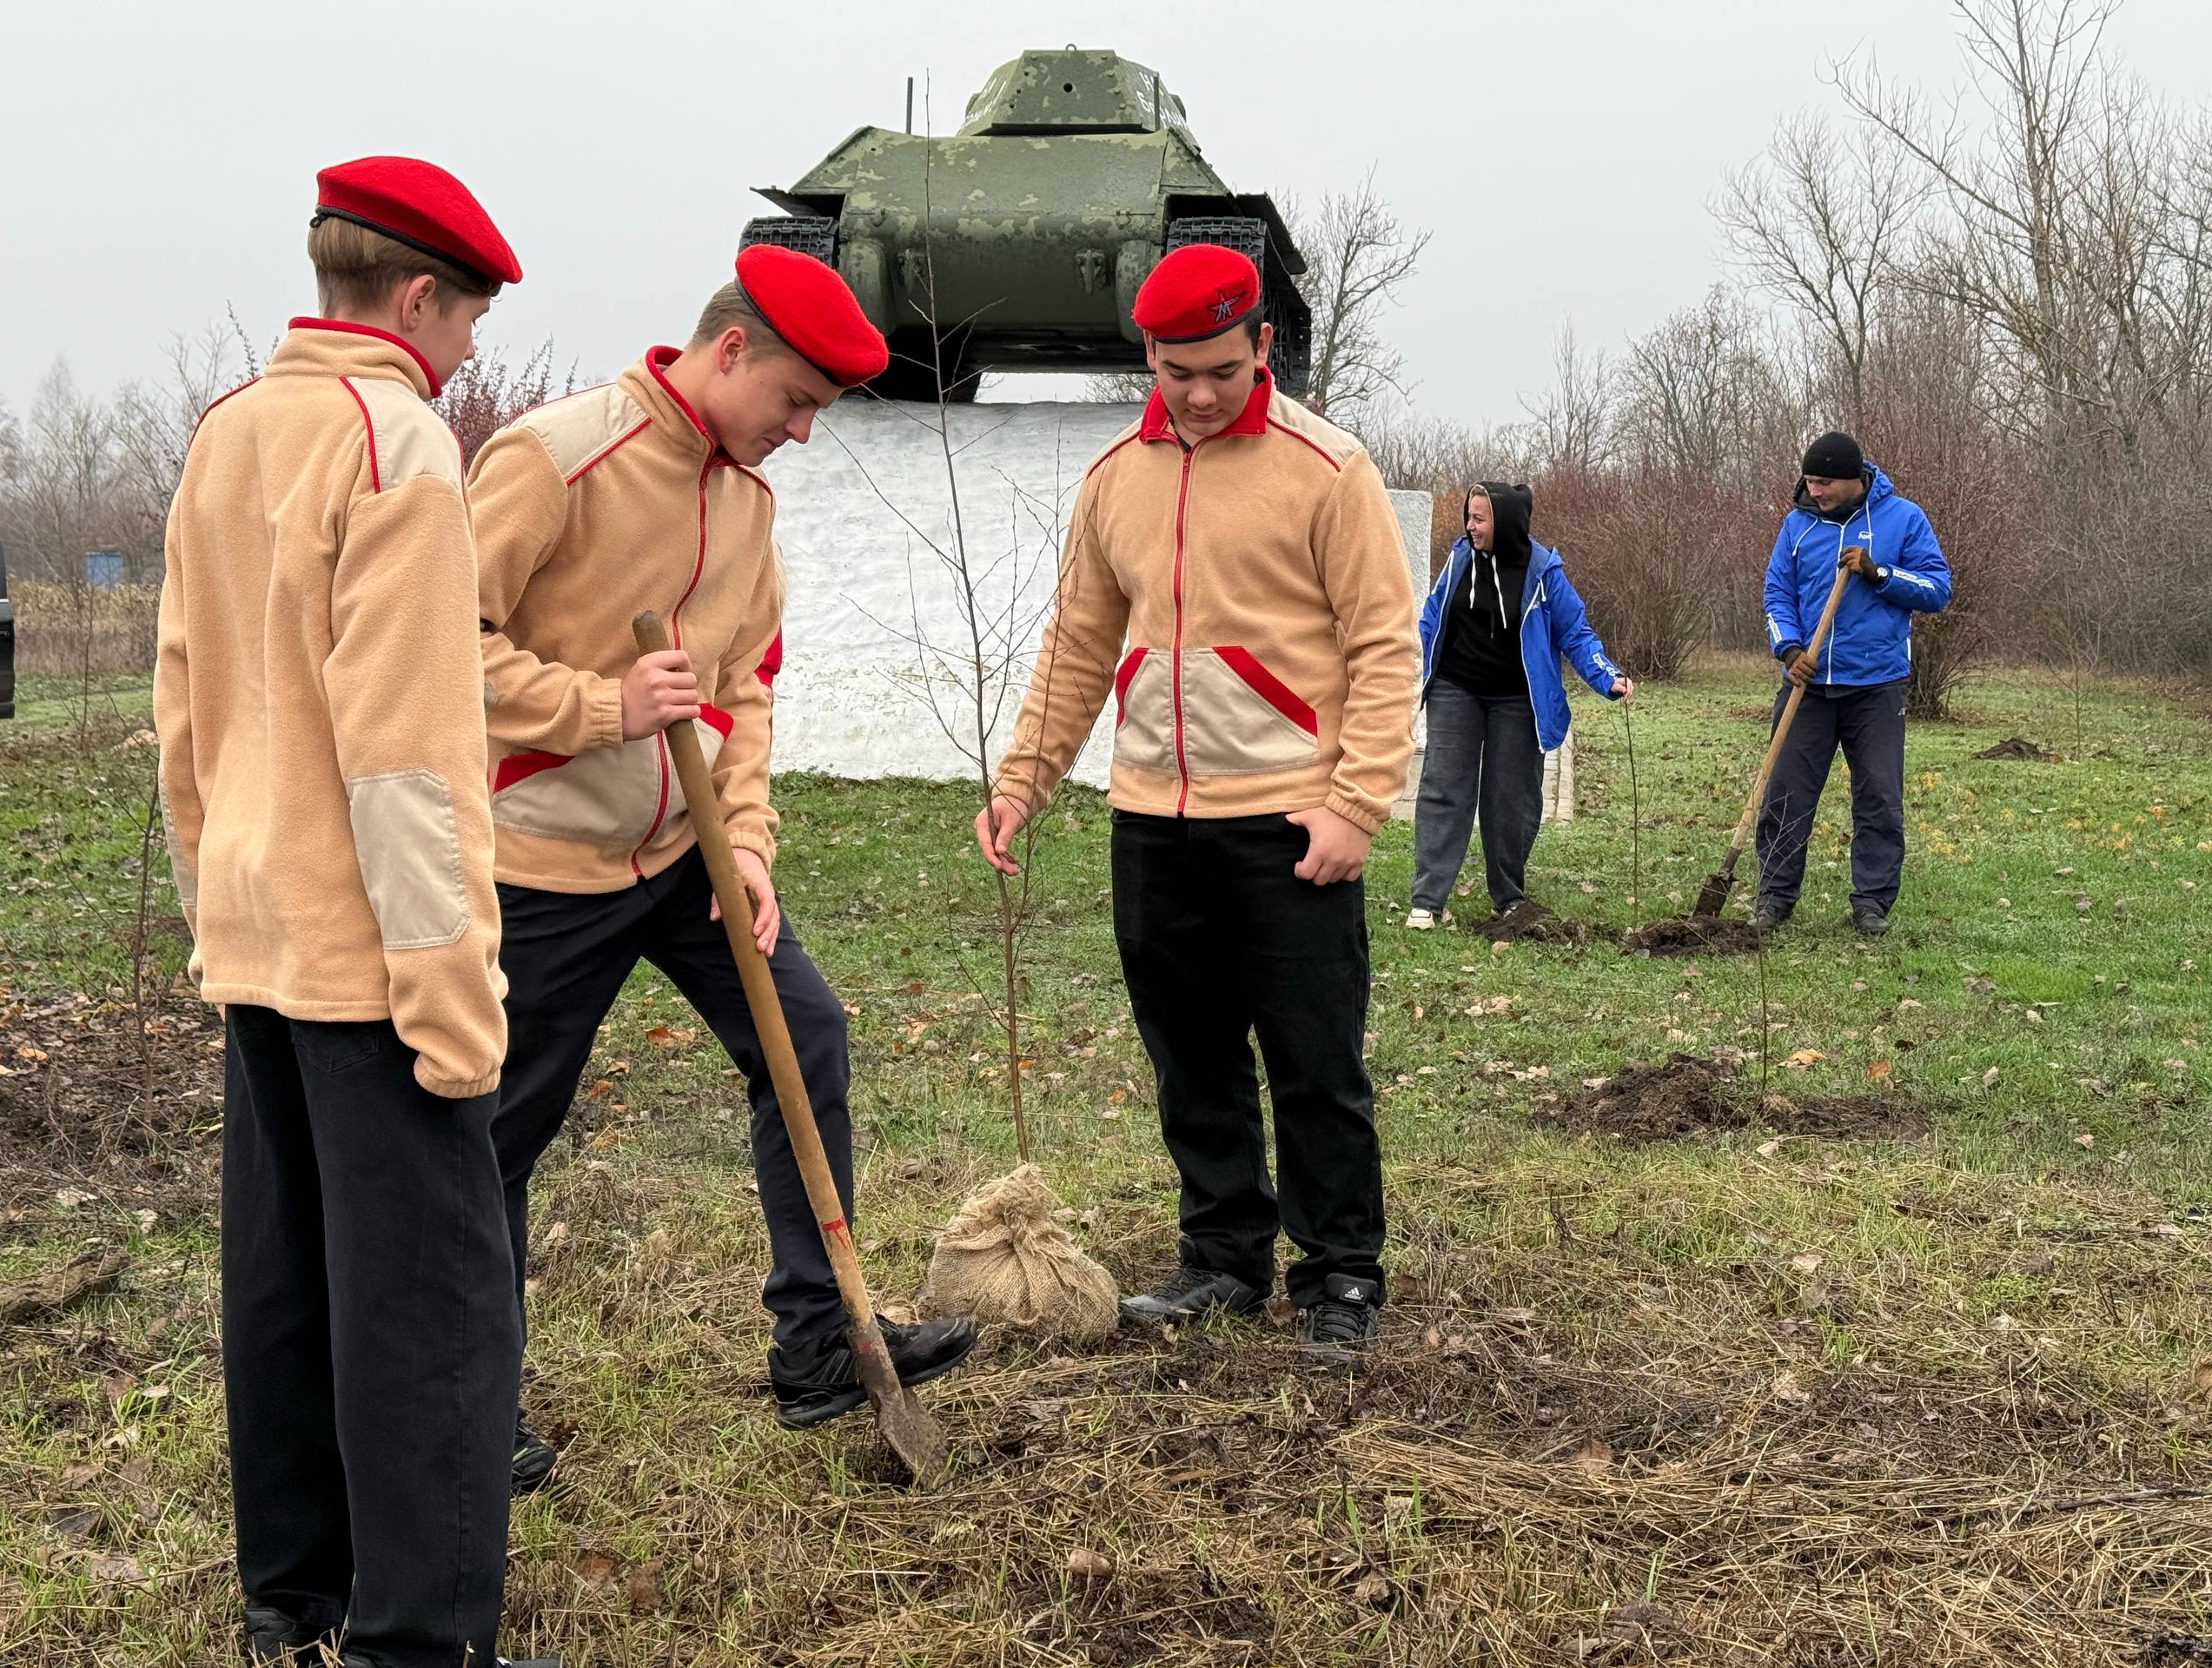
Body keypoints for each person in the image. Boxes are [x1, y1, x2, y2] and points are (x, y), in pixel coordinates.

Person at [466, 245, 977, 1469]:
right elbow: (433, 644)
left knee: (805, 1035)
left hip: (683, 859)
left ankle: (817, 1343)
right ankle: (466, 1405)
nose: (803, 432)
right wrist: (600, 709)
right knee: (497, 1136)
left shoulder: (746, 504)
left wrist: (743, 841)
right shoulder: (555, 460)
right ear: (731, 348)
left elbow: (741, 690)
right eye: (796, 400)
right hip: (541, 861)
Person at [156, 157, 554, 1668]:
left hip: (258, 940)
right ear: (412, 296)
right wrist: (455, 1003)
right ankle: (417, 1641)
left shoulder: (228, 435)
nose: (468, 359)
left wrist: (217, 905)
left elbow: (184, 711)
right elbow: (411, 763)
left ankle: (292, 1605)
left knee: (283, 1281)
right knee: (439, 1314)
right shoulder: (394, 448)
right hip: (371, 959)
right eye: (467, 324)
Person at [974, 243, 1420, 1368]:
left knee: (1315, 1059)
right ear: (1150, 359)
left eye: (1222, 367)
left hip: (1289, 822)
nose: (1202, 393)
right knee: (1192, 1056)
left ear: (1263, 345)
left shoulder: (1330, 472)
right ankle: (1222, 1255)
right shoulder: (1114, 480)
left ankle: (1341, 1271)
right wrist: (1023, 778)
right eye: (1179, 372)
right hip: (1153, 822)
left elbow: (1382, 647)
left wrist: (1356, 807)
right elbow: (1077, 645)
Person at [1406, 483, 1632, 930]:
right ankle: (1427, 901)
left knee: (1510, 798)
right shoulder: (1460, 559)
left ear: (1504, 523)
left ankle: (1508, 896)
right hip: (1457, 688)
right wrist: (1407, 665)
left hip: (1516, 698)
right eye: (1468, 518)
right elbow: (1431, 619)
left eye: (1479, 519)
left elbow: (1576, 633)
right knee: (1443, 788)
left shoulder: (1544, 572)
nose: (1469, 527)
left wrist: (1607, 677)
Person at [1754, 430, 1951, 937]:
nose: (1813, 491)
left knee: (1879, 798)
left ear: (1852, 479)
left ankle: (1871, 904)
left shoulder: (1903, 518)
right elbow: (1777, 593)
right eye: (1809, 482)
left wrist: (1878, 572)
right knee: (1786, 796)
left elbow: (1936, 590)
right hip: (1809, 686)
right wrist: (1790, 649)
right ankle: (1774, 898)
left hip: (1876, 686)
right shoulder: (1796, 525)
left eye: (1823, 483)